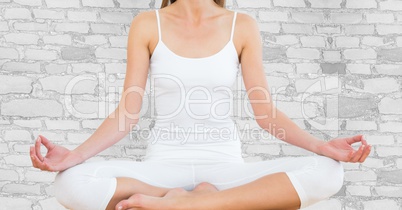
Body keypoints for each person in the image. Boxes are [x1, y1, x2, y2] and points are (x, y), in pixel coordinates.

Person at [30, 0, 372, 209]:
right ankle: (186, 199)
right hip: (162, 169)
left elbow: (265, 113)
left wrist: (321, 146)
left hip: (226, 169)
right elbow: (127, 112)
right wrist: (76, 155)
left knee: (329, 172)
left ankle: (187, 205)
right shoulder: (148, 24)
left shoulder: (242, 26)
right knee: (69, 184)